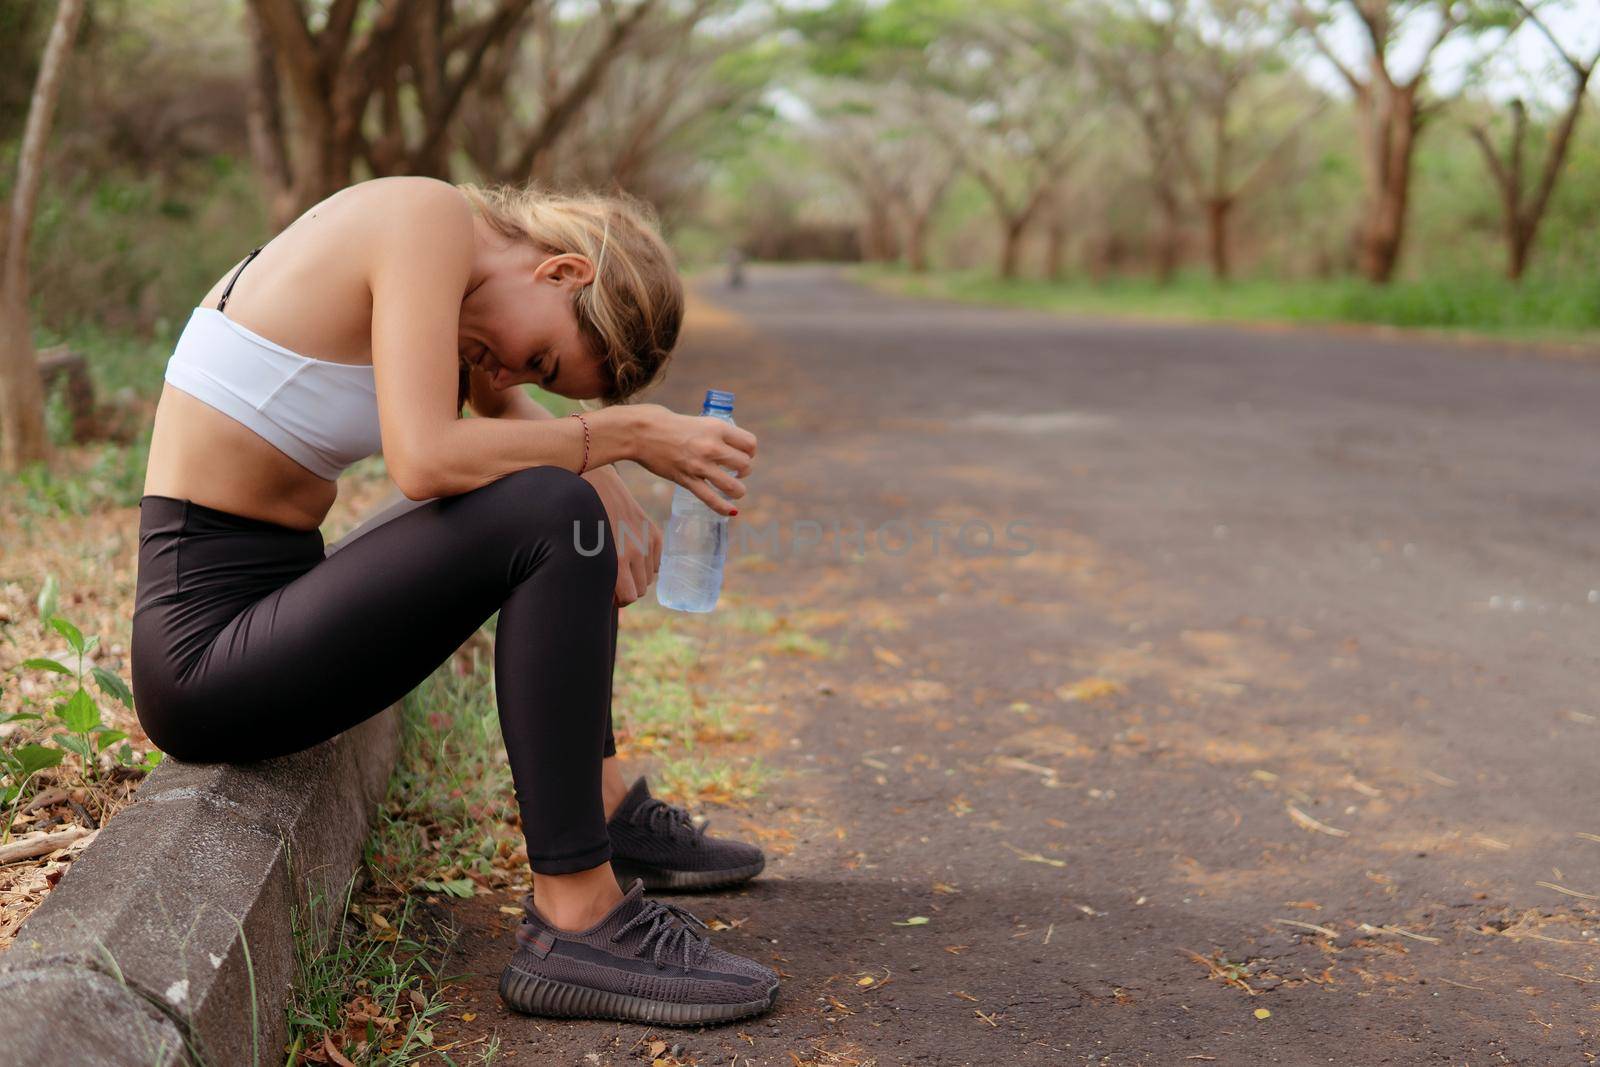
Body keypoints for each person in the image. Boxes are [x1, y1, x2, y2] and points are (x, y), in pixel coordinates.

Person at [130, 175, 777, 1026]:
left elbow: (492, 399)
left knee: (567, 503)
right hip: (205, 652)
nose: (510, 370)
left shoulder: (451, 256)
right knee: (553, 509)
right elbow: (428, 459)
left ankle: (606, 806)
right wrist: (625, 436)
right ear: (561, 271)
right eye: (541, 358)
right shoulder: (423, 218)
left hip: (272, 598)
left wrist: (604, 468)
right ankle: (576, 916)